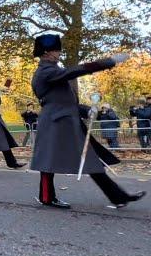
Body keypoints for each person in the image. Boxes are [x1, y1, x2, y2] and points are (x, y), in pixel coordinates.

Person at [30, 34, 145, 209]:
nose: (59, 53)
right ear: (47, 52)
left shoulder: (53, 70)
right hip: (55, 122)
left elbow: (65, 101)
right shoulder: (45, 71)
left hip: (67, 121)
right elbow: (74, 71)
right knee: (48, 160)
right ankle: (46, 197)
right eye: (56, 50)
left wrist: (85, 110)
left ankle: (118, 197)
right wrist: (108, 62)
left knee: (90, 159)